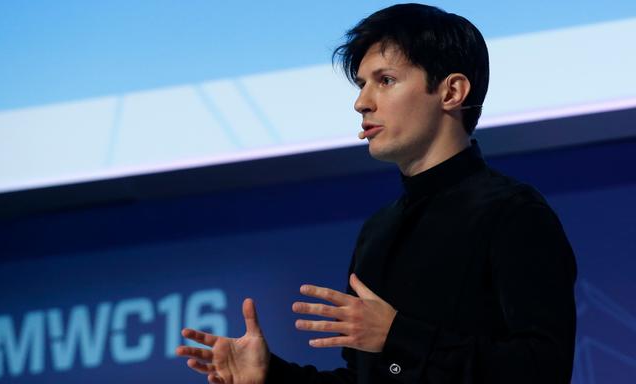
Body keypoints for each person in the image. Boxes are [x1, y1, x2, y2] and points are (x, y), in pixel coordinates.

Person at [176, 3, 577, 383]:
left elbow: (544, 370)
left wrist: (398, 336)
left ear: (452, 92)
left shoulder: (513, 213)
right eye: (361, 84)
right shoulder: (378, 230)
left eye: (385, 81)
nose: (361, 102)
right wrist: (271, 375)